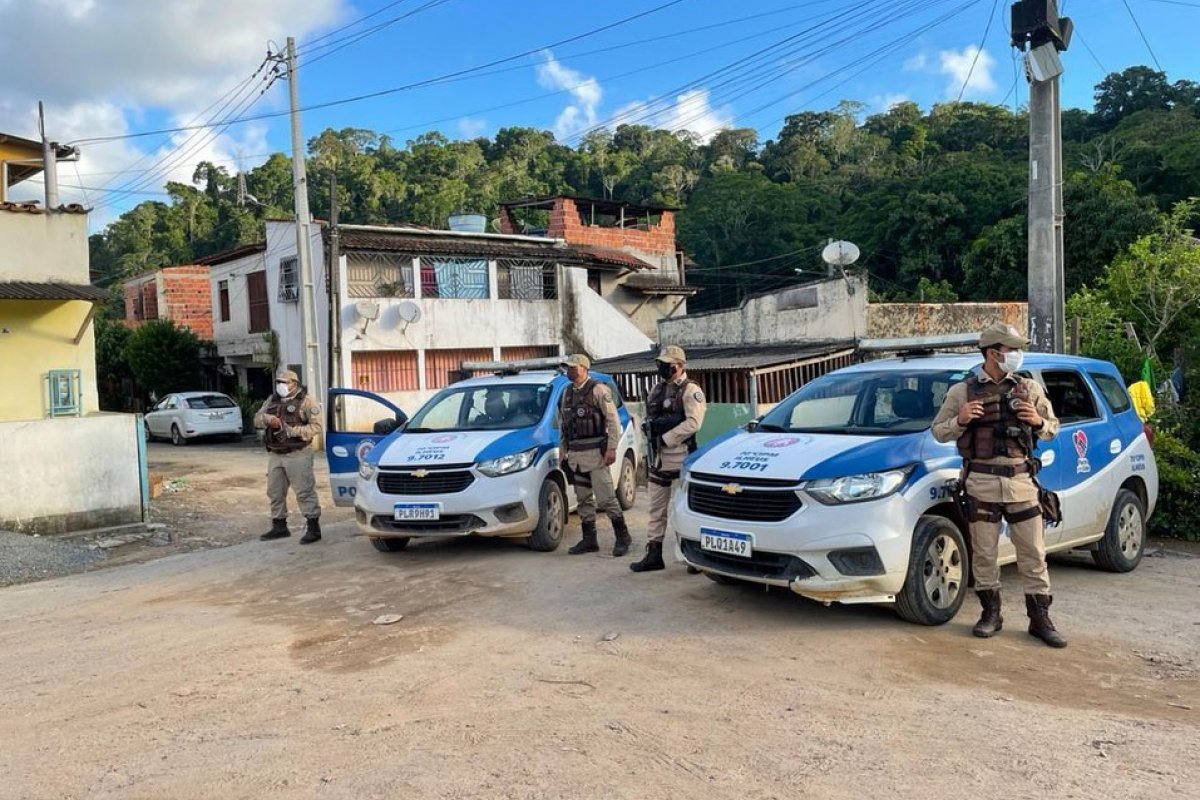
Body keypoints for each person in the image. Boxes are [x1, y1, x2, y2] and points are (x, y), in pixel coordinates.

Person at [931, 322, 1066, 647]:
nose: (1018, 354)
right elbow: (938, 431)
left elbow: (1053, 428)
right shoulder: (962, 391)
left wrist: (1037, 421)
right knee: (984, 554)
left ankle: (1040, 619)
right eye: (1012, 349)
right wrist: (961, 419)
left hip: (1021, 481)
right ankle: (991, 614)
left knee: (1033, 553)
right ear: (993, 353)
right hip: (981, 482)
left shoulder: (1028, 388)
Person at [631, 345, 707, 573]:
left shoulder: (691, 390)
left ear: (680, 365)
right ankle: (654, 554)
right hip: (658, 457)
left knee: (685, 508)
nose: (663, 368)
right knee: (656, 508)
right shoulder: (657, 389)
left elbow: (694, 423)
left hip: (681, 454)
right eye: (661, 364)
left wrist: (667, 438)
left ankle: (693, 556)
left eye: (667, 364)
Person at [558, 354, 632, 557]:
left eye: (573, 367)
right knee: (583, 499)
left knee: (606, 498)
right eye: (568, 367)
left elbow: (613, 420)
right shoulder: (566, 393)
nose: (569, 371)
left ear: (584, 368)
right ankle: (589, 540)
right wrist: (563, 449)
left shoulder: (599, 390)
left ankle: (623, 537)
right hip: (576, 456)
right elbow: (564, 424)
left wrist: (612, 448)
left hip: (596, 454)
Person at [254, 369, 324, 545]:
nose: (280, 386)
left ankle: (313, 528)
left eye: (284, 383)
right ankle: (279, 526)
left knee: (304, 490)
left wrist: (290, 431)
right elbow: (257, 419)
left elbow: (316, 427)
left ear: (294, 384)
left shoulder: (307, 401)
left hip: (298, 453)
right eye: (278, 382)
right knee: (275, 491)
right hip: (275, 453)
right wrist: (267, 419)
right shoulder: (272, 400)